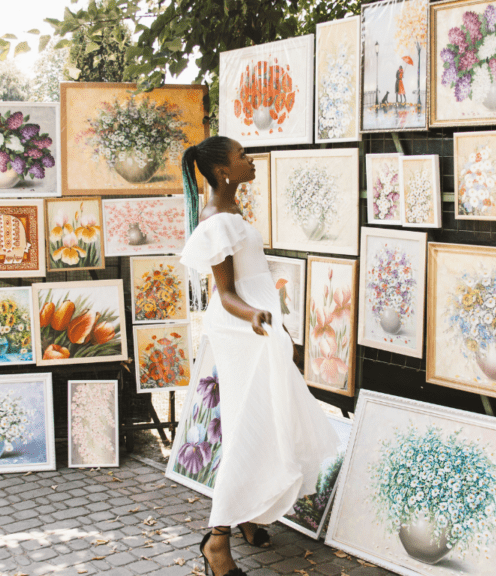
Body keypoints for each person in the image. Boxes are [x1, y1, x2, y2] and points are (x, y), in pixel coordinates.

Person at [179, 136, 339, 576]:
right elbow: (226, 293)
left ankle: (249, 515)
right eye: (242, 156)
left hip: (258, 328)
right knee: (249, 422)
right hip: (242, 331)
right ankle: (217, 542)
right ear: (222, 171)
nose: (250, 160)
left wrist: (266, 317)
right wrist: (255, 315)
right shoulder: (215, 222)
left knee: (265, 419)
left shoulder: (231, 213)